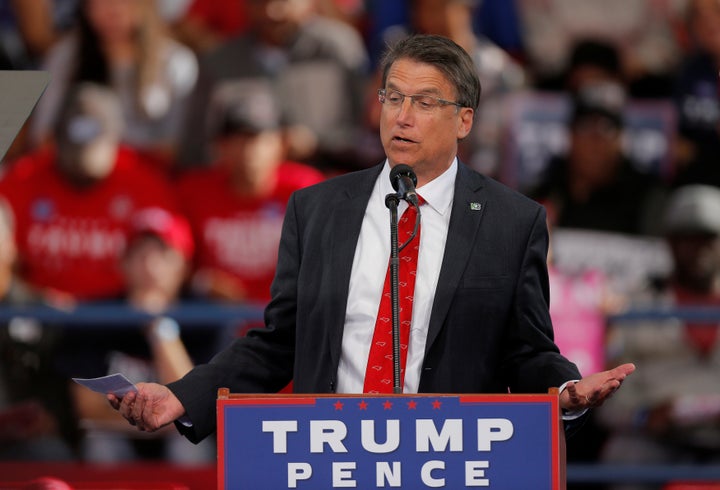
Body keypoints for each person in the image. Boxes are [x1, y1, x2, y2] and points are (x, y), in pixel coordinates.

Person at [109, 34, 635, 445]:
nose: (403, 117)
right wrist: (183, 396)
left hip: (444, 457)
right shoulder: (316, 209)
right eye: (393, 97)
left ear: (464, 120)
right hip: (330, 453)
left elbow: (527, 352)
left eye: (425, 102)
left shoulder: (511, 222)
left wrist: (565, 393)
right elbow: (280, 343)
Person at [0, 82, 180, 302]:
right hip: (37, 311)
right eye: (71, 154)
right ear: (53, 142)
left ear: (116, 141)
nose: (79, 170)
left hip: (118, 314)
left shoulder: (144, 182)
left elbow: (176, 256)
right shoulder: (22, 178)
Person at [65, 207, 215, 463]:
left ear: (184, 266)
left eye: (163, 254)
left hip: (178, 436)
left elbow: (196, 406)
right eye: (139, 253)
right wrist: (153, 422)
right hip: (119, 434)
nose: (150, 266)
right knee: (100, 446)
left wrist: (159, 327)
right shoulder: (95, 318)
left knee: (191, 449)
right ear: (122, 263)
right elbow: (87, 411)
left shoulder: (208, 318)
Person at [596, 184, 720, 490]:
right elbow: (608, 397)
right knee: (624, 456)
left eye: (708, 239)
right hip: (657, 438)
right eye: (687, 239)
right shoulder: (636, 306)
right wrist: (644, 416)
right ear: (670, 243)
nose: (699, 249)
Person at [176, 0, 370, 173]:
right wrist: (238, 150)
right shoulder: (221, 64)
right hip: (242, 198)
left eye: (283, 2)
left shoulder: (336, 49)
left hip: (326, 180)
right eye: (260, 2)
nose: (272, 12)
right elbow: (196, 148)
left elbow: (365, 133)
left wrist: (317, 143)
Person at [176, 79, 325, 304]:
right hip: (216, 324)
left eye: (257, 138)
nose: (249, 151)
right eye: (237, 140)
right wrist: (202, 281)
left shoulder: (306, 189)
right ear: (219, 147)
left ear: (281, 144)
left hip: (289, 324)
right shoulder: (192, 192)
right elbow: (166, 262)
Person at [28, 0, 199, 172]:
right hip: (75, 180)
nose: (112, 10)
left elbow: (174, 149)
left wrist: (113, 160)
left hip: (148, 183)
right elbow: (43, 139)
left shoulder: (177, 63)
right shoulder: (64, 58)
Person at [528, 80, 667, 236]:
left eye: (606, 128)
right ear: (570, 137)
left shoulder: (647, 198)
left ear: (621, 140)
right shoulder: (546, 192)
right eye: (585, 126)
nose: (595, 139)